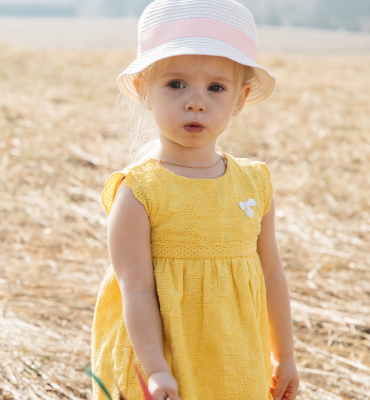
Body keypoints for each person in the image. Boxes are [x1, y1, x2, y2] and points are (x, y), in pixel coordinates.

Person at [90, 1, 299, 399]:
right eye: (175, 84)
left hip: (234, 361)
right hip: (161, 363)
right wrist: (156, 371)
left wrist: (284, 356)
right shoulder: (138, 192)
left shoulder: (254, 184)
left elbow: (272, 275)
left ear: (241, 98)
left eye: (216, 87)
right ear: (143, 91)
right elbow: (134, 289)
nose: (196, 101)